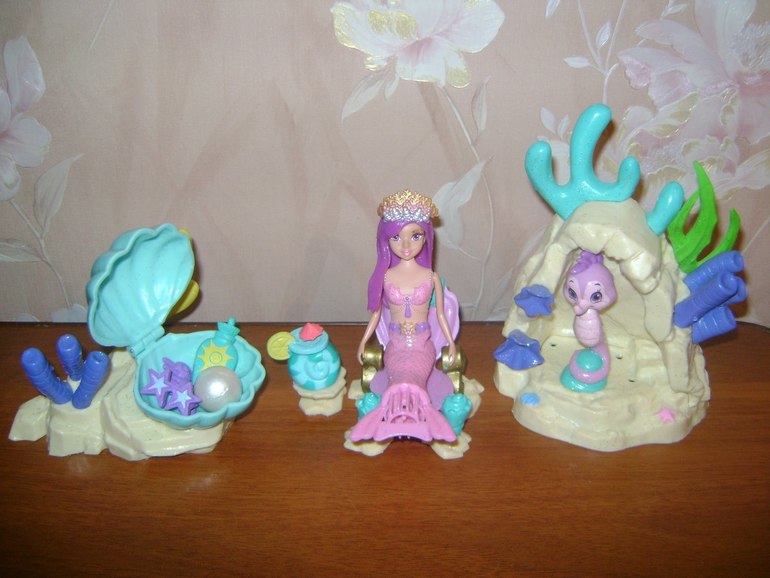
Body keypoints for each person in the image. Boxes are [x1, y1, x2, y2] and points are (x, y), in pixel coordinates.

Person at [356, 190, 456, 392]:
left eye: (415, 236)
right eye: (396, 237)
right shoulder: (385, 277)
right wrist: (363, 341)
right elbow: (376, 314)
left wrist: (451, 343)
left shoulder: (431, 277)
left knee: (414, 380)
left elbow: (440, 314)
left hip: (422, 346)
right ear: (386, 240)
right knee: (398, 379)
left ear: (426, 238)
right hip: (395, 346)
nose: (406, 245)